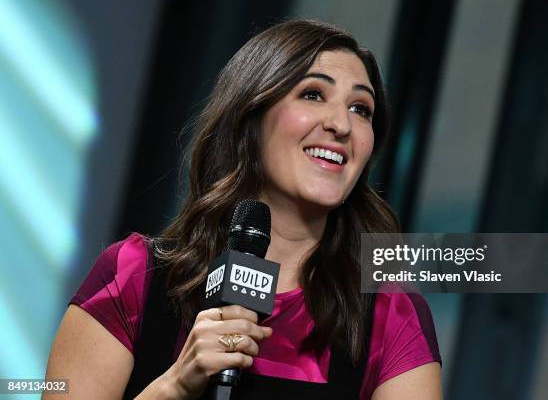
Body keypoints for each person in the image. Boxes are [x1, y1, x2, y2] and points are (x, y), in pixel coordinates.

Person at [44, 20, 442, 399]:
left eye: (361, 109)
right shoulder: (133, 276)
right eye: (313, 94)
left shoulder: (392, 314)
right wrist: (176, 387)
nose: (341, 124)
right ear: (251, 115)